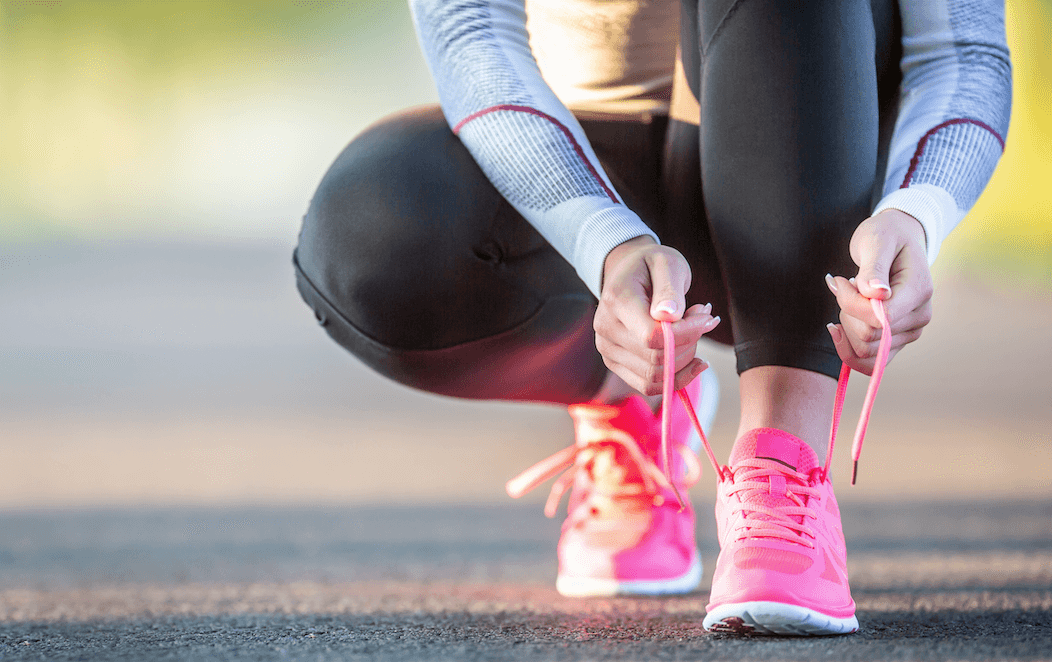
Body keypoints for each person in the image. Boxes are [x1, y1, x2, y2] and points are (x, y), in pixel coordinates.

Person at [293, 0, 1011, 636]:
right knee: (370, 239)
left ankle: (782, 464)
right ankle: (635, 406)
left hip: (815, 148)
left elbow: (964, 53)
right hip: (587, 169)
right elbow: (471, 32)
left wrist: (917, 211)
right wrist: (605, 243)